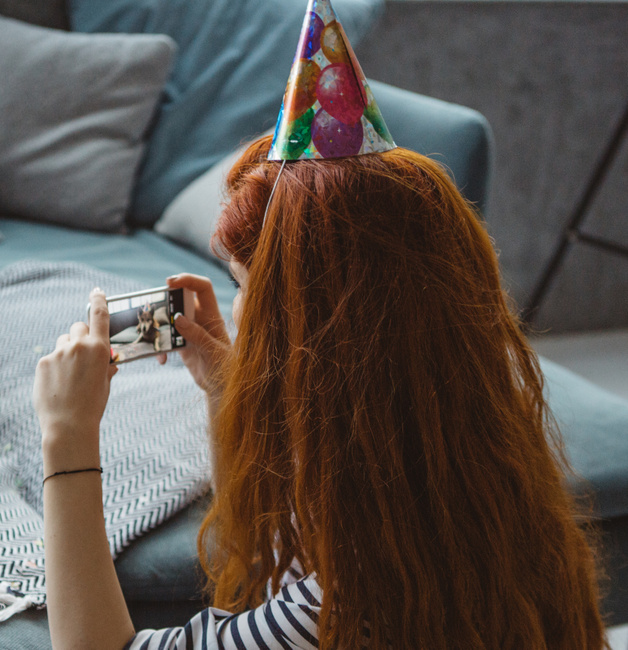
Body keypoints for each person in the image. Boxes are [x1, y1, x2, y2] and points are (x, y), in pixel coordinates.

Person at [31, 132, 608, 649]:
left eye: (243, 287)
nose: (237, 309)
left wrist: (67, 438)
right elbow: (279, 551)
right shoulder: (479, 492)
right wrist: (225, 393)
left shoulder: (336, 609)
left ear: (308, 333)